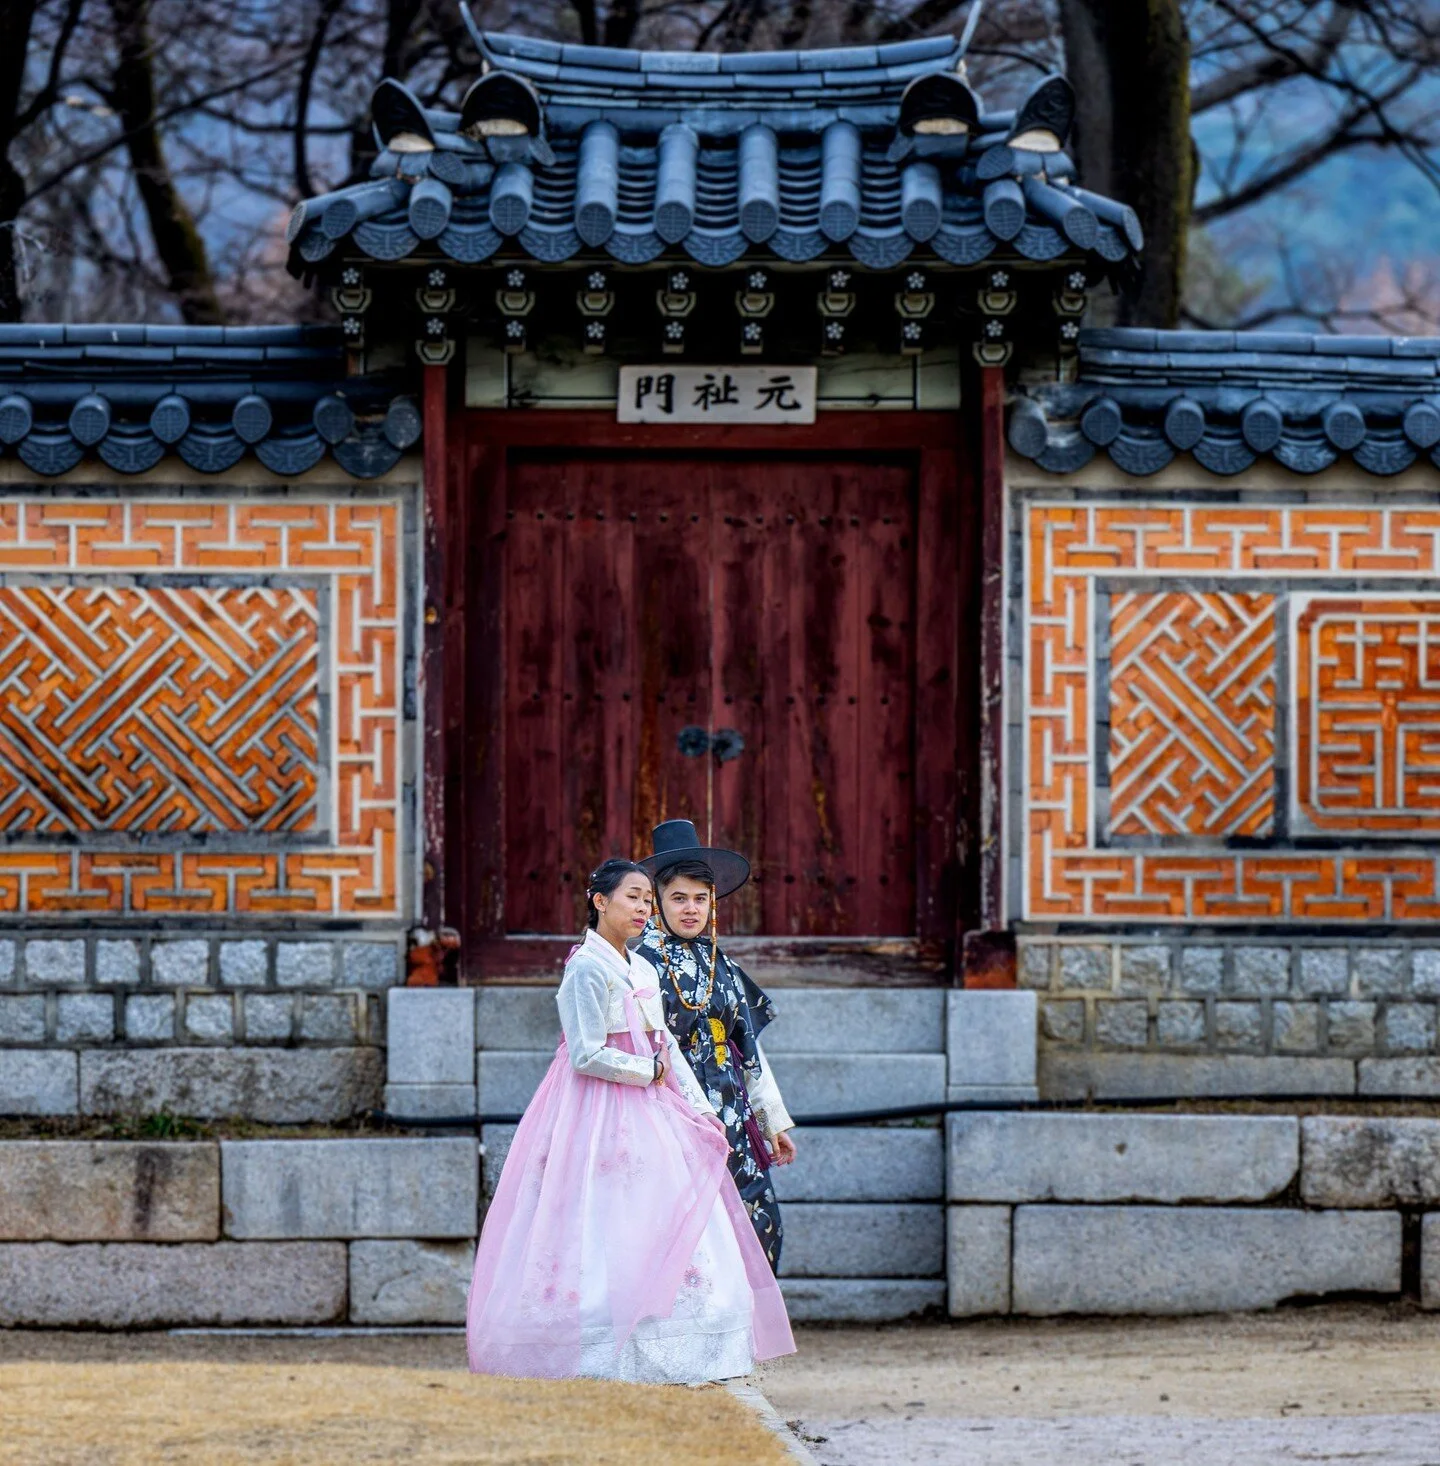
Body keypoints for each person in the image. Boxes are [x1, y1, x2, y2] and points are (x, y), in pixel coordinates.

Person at [466, 857, 794, 1384]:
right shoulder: (586, 967)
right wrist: (650, 1070)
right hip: (594, 1107)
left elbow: (676, 1047)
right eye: (635, 898)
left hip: (654, 1103)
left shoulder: (642, 968)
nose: (643, 908)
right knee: (599, 1211)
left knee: (662, 1210)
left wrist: (703, 1110)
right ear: (600, 902)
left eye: (647, 899)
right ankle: (596, 1336)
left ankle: (671, 1337)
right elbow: (585, 1053)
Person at [637, 821, 797, 1274]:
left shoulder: (722, 965)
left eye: (700, 899)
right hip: (670, 1114)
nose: (691, 910)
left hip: (732, 1114)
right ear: (656, 904)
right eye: (679, 898)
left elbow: (748, 1050)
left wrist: (770, 1121)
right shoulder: (637, 964)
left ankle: (736, 1341)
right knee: (686, 1232)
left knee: (756, 1223)